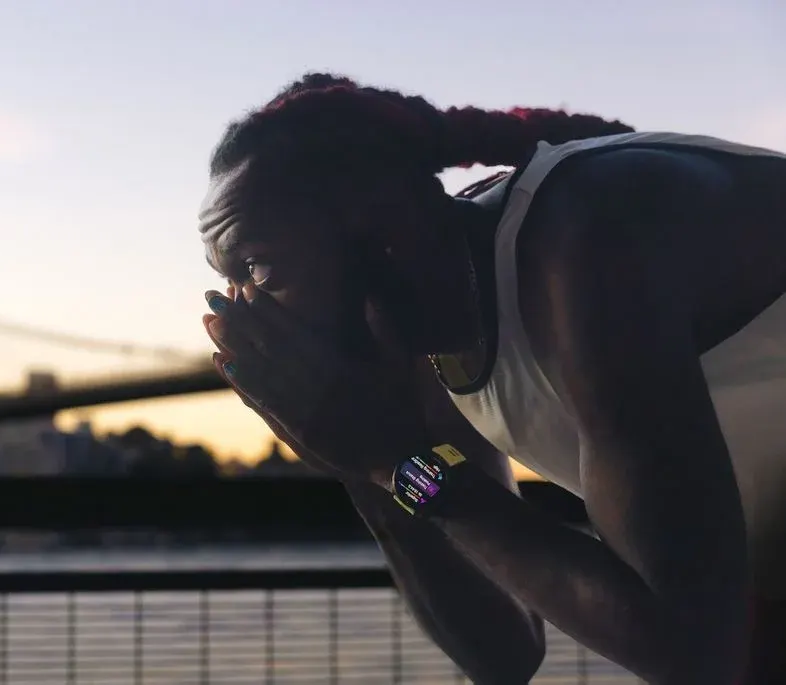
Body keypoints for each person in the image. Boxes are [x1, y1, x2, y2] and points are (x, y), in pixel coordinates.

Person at [197, 73, 786, 684]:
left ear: (382, 226)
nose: (244, 312)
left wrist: (394, 460)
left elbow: (692, 651)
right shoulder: (430, 342)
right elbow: (506, 651)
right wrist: (363, 466)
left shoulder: (585, 242)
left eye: (257, 266)